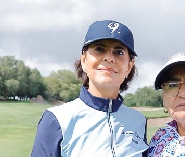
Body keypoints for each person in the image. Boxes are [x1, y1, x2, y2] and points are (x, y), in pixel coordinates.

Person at [31, 20, 148, 157]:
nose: (109, 58)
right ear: (84, 60)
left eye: (118, 52)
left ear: (129, 66)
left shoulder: (138, 121)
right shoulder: (57, 119)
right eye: (99, 49)